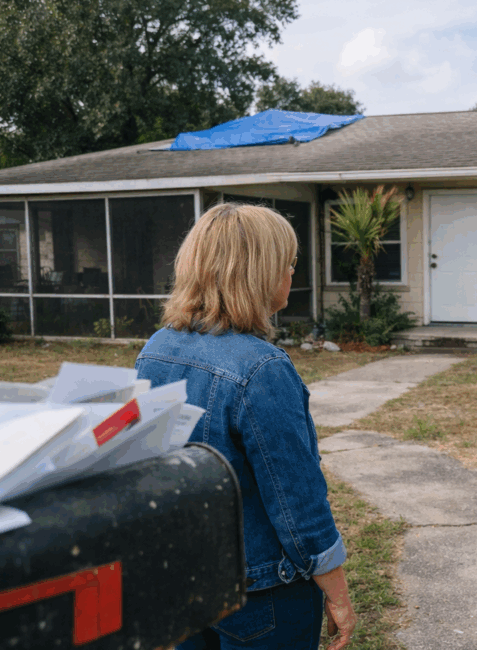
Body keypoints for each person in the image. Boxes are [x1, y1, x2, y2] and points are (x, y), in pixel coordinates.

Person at [136, 203, 356, 650]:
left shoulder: (156, 349)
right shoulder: (262, 368)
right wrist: (338, 593)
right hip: (262, 595)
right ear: (259, 273)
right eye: (288, 264)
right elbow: (296, 499)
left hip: (184, 578)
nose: (293, 273)